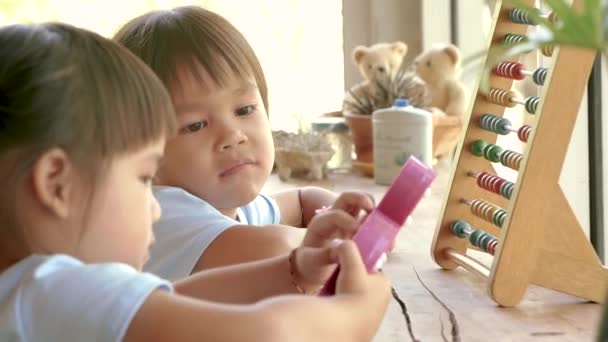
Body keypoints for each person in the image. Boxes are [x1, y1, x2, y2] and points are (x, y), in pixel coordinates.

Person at [0, 22, 391, 342]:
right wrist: (355, 314)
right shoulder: (51, 292)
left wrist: (296, 272)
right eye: (142, 177)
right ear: (56, 184)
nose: (155, 204)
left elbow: (166, 302)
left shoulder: (25, 295)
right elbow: (269, 334)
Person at [114, 6, 350, 279]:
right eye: (195, 125)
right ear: (137, 152)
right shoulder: (158, 213)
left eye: (244, 110)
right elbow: (274, 249)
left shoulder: (224, 200)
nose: (233, 136)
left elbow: (301, 199)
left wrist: (341, 211)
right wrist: (351, 236)